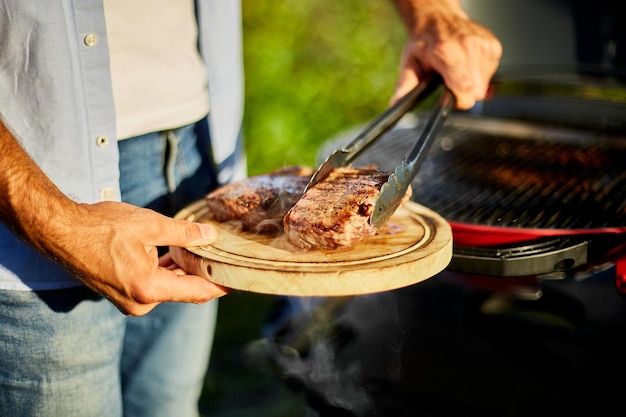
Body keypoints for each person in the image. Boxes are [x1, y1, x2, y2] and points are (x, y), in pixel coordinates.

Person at [0, 0, 501, 416]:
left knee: (168, 406)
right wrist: (54, 220)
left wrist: (431, 12)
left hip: (199, 150)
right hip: (38, 178)